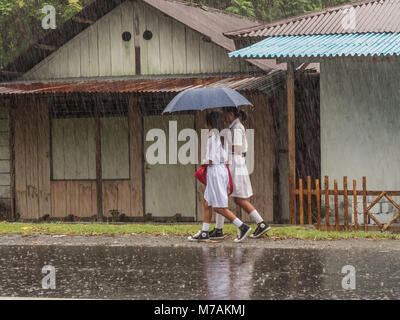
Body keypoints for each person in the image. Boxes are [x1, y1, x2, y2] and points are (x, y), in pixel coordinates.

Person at [188, 111, 251, 243]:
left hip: (215, 172)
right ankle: (205, 232)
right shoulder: (224, 136)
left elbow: (210, 160)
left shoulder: (212, 137)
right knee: (207, 203)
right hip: (222, 170)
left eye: (206, 123)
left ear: (210, 124)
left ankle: (242, 226)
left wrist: (203, 162)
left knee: (219, 207)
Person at [208, 107, 271, 240]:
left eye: (225, 114)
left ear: (230, 114)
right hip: (233, 164)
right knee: (223, 196)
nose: (224, 117)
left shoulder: (237, 128)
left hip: (235, 165)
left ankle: (261, 223)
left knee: (237, 199)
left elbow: (237, 148)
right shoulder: (234, 127)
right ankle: (219, 229)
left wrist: (222, 145)